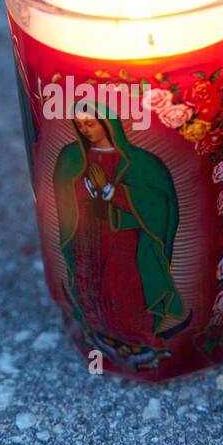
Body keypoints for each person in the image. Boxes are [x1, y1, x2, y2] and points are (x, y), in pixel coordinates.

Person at [54, 104, 186, 348]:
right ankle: (98, 332)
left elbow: (157, 203)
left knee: (122, 286)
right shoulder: (73, 158)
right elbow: (66, 195)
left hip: (124, 238)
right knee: (92, 283)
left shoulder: (139, 162)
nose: (85, 130)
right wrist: (84, 189)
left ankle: (137, 338)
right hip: (88, 235)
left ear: (107, 124)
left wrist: (110, 190)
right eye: (79, 125)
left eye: (90, 124)